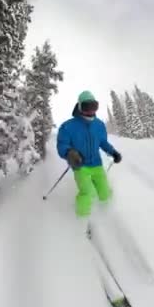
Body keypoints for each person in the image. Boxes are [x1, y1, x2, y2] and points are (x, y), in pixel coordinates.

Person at [56, 90, 122, 218]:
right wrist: (70, 153)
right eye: (87, 106)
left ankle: (107, 215)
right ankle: (82, 220)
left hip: (97, 164)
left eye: (94, 106)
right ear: (80, 106)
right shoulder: (68, 126)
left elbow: (103, 142)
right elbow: (62, 145)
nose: (91, 111)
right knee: (87, 192)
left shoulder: (99, 125)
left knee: (104, 192)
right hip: (80, 166)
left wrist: (113, 152)